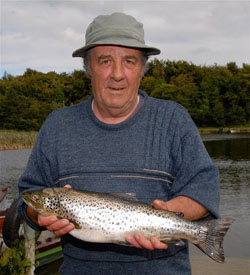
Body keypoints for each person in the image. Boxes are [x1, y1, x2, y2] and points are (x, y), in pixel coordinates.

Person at [18, 12, 220, 274]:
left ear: (142, 69)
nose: (117, 74)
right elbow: (28, 199)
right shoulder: (57, 125)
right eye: (105, 61)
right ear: (88, 68)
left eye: (129, 61)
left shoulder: (174, 119)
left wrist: (166, 215)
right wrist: (40, 216)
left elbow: (204, 188)